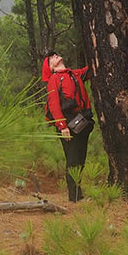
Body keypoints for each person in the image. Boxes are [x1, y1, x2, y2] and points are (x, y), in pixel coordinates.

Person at [42, 49, 93, 203]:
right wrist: (62, 126)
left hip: (82, 122)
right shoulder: (54, 79)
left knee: (81, 159)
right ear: (50, 68)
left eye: (55, 54)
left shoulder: (73, 74)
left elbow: (89, 71)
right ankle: (75, 197)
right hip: (67, 126)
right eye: (51, 58)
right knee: (73, 160)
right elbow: (54, 105)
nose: (55, 55)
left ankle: (78, 193)